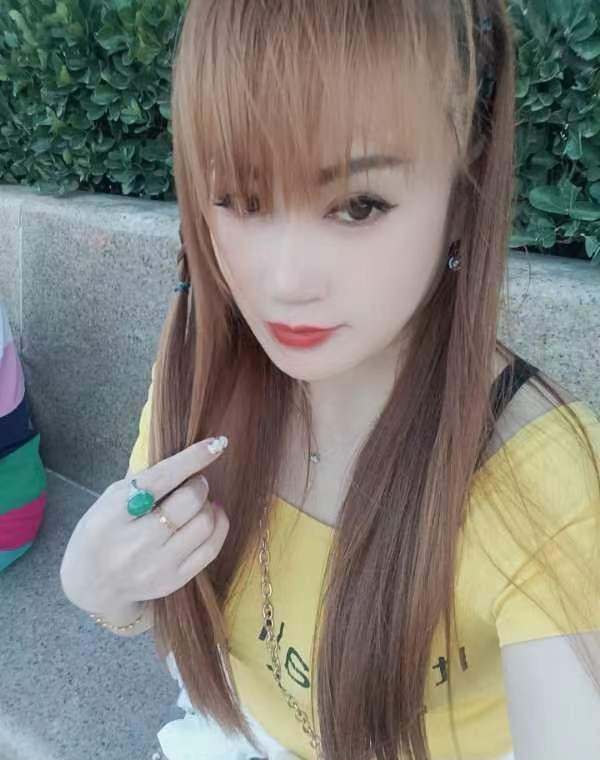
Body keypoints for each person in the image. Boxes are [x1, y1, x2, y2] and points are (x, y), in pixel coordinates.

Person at [60, 1, 600, 759]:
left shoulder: (541, 482)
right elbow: (160, 600)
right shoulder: (206, 368)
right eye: (242, 200)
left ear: (464, 184)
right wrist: (97, 587)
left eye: (357, 206)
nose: (284, 281)